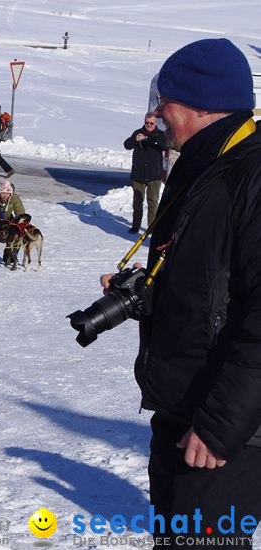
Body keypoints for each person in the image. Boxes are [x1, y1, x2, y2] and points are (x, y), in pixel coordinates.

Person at [99, 38, 261, 549]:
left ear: (197, 106)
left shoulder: (251, 176)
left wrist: (219, 426)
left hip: (225, 432)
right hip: (180, 410)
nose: (156, 114)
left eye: (162, 101)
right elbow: (207, 279)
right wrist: (147, 290)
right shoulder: (200, 168)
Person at [124, 112, 167, 233]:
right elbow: (127, 145)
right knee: (137, 201)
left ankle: (151, 227)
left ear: (155, 123)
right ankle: (135, 225)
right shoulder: (138, 132)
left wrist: (148, 139)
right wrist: (134, 139)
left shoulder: (160, 135)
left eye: (151, 123)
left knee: (152, 201)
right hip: (139, 173)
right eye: (146, 123)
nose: (148, 125)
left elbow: (165, 146)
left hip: (154, 174)